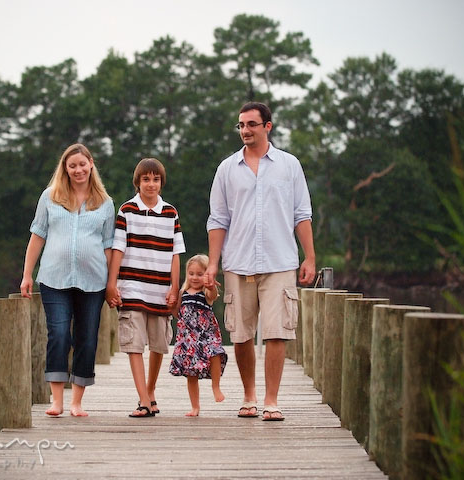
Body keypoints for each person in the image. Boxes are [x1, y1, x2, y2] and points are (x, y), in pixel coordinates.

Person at [204, 102, 316, 422]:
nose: (245, 130)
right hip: (237, 261)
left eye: (252, 124)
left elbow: (302, 214)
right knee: (240, 334)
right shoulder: (227, 168)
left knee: (276, 332)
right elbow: (218, 219)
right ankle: (249, 395)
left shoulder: (289, 165)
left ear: (268, 126)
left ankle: (271, 400)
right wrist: (213, 264)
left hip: (280, 260)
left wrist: (309, 256)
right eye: (241, 125)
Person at [20, 143, 115, 418]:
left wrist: (111, 283)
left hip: (94, 281)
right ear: (65, 168)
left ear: (91, 165)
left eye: (82, 164)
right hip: (54, 278)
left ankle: (77, 402)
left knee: (86, 339)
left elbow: (109, 246)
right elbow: (37, 236)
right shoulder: (50, 197)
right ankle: (57, 401)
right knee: (59, 335)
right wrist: (27, 274)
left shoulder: (105, 203)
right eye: (72, 165)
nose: (78, 170)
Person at [106, 157, 185, 418]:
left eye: (156, 179)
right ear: (137, 182)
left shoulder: (170, 212)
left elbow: (176, 254)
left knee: (159, 344)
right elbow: (118, 248)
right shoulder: (127, 210)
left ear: (162, 182)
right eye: (145, 179)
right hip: (132, 287)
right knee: (134, 344)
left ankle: (150, 391)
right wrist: (112, 284)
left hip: (160, 289)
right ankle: (142, 399)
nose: (151, 184)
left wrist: (175, 288)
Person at [169, 254, 228, 417]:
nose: (195, 277)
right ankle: (195, 406)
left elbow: (213, 295)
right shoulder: (183, 292)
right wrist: (171, 306)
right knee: (191, 373)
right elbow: (178, 313)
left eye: (200, 274)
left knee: (215, 354)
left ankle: (216, 386)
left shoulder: (205, 293)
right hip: (188, 337)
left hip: (205, 334)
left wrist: (210, 285)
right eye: (191, 273)